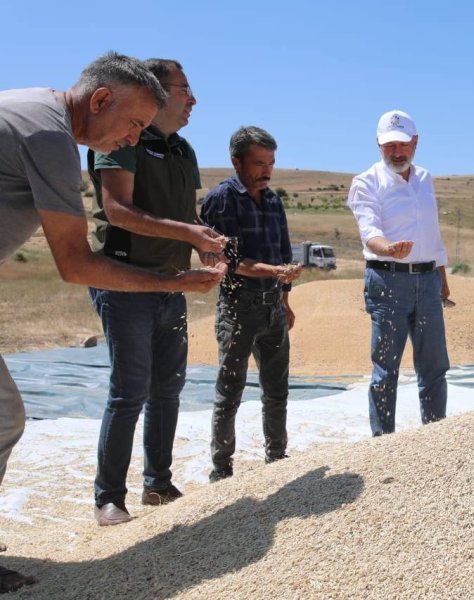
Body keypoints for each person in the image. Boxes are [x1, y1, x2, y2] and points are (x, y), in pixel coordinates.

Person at [0, 52, 224, 593]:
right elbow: (75, 263)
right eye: (132, 124)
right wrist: (178, 282)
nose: (131, 140)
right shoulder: (48, 134)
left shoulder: (35, 112)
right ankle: (109, 495)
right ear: (100, 100)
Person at [87, 58, 229, 526]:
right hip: (123, 278)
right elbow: (118, 210)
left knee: (168, 388)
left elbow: (187, 218)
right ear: (156, 92)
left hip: (172, 283)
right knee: (129, 391)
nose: (193, 99)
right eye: (184, 89)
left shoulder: (184, 151)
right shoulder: (122, 137)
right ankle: (109, 498)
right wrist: (191, 236)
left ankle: (158, 484)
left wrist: (205, 250)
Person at [200, 126, 300, 482]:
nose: (267, 170)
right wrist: (275, 270)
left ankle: (277, 459)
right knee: (230, 392)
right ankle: (222, 471)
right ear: (236, 162)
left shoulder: (273, 201)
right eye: (259, 163)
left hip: (273, 305)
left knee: (277, 389)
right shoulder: (221, 200)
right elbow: (227, 259)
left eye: (271, 163)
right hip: (238, 307)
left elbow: (283, 252)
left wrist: (286, 298)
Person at [347, 110, 450, 436]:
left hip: (427, 280)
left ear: (415, 143)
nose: (396, 152)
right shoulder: (366, 183)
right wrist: (387, 247)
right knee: (385, 369)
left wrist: (442, 278)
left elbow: (432, 233)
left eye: (402, 145)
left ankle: (434, 440)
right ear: (378, 145)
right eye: (388, 146)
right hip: (388, 280)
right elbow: (368, 230)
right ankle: (383, 445)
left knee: (434, 368)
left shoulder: (424, 179)